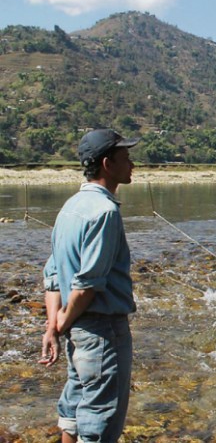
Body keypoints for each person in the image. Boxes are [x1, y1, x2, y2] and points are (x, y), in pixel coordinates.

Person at [40, 129, 140, 442]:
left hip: (77, 330)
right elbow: (87, 284)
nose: (132, 163)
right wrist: (64, 320)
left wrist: (54, 326)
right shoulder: (106, 212)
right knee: (100, 424)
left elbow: (53, 275)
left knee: (73, 411)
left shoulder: (69, 207)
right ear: (107, 164)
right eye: (126, 158)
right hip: (102, 331)